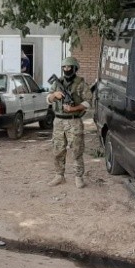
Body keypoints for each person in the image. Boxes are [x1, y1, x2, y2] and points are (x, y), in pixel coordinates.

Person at [46, 56, 92, 188]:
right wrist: (54, 96)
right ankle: (59, 176)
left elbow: (88, 102)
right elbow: (48, 99)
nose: (66, 69)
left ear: (74, 68)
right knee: (58, 150)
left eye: (69, 67)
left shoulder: (81, 84)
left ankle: (78, 177)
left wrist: (74, 108)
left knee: (77, 150)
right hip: (58, 121)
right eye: (64, 67)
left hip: (74, 121)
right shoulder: (57, 83)